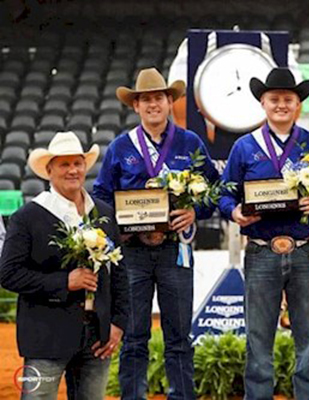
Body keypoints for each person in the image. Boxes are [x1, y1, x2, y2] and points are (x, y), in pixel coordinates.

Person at [93, 67, 219, 400]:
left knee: (178, 336)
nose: (153, 105)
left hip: (174, 250)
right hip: (132, 254)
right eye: (145, 99)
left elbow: (213, 191)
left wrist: (195, 212)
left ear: (169, 102)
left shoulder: (189, 142)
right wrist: (116, 229)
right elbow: (102, 196)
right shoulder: (121, 147)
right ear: (136, 106)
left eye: (159, 98)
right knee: (134, 336)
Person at [218, 67, 309, 400]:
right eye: (275, 99)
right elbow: (225, 194)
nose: (281, 105)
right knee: (258, 338)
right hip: (261, 250)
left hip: (304, 250)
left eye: (288, 99)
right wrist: (235, 211)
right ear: (263, 103)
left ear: (298, 104)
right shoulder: (244, 147)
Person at [0, 131, 129, 400]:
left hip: (97, 335)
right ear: (49, 171)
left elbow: (119, 273)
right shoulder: (27, 217)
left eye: (77, 163)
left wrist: (118, 323)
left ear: (85, 166)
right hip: (45, 336)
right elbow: (9, 274)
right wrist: (63, 282)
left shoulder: (103, 213)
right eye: (64, 164)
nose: (73, 170)